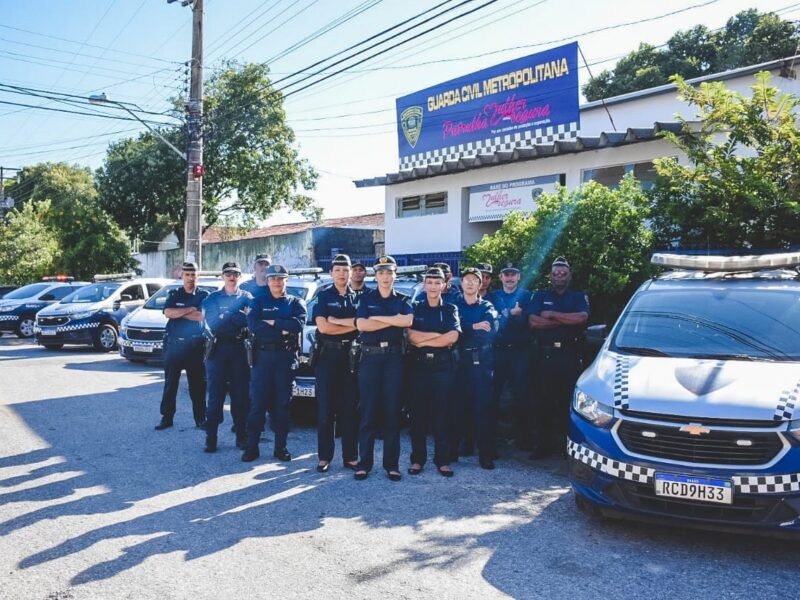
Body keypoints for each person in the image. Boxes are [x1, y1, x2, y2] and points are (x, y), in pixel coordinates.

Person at [353, 255, 413, 481]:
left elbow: (407, 321)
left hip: (394, 360)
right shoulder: (366, 298)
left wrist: (377, 318)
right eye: (381, 273)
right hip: (370, 359)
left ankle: (391, 465)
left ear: (395, 275)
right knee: (368, 412)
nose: (385, 277)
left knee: (392, 413)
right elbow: (362, 324)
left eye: (389, 272)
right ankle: (364, 464)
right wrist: (392, 318)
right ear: (376, 276)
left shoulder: (403, 299)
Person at [242, 264, 307, 462]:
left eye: (280, 278)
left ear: (286, 280)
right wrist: (282, 327)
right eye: (273, 279)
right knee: (257, 404)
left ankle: (281, 448)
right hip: (262, 358)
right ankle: (252, 447)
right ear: (268, 281)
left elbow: (298, 325)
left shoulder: (295, 302)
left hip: (285, 358)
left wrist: (272, 322)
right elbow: (254, 326)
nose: (277, 282)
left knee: (282, 405)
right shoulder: (258, 302)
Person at [528, 257, 589, 458]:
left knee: (566, 402)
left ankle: (567, 448)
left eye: (563, 273)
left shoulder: (578, 297)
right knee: (542, 401)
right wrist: (565, 320)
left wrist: (552, 314)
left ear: (569, 275)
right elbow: (534, 322)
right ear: (550, 276)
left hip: (569, 356)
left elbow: (581, 318)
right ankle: (542, 447)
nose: (559, 276)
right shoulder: (540, 296)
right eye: (555, 273)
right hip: (544, 357)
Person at [406, 267, 461, 477]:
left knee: (442, 414)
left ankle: (442, 460)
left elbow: (453, 337)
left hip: (442, 367)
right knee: (417, 415)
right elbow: (410, 337)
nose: (433, 286)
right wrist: (438, 335)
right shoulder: (415, 307)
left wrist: (424, 339)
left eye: (437, 282)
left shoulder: (450, 308)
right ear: (424, 284)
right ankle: (417, 459)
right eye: (429, 282)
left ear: (444, 285)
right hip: (418, 366)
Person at [312, 254, 360, 473]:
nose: (342, 274)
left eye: (345, 270)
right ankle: (324, 457)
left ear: (351, 273)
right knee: (325, 410)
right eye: (338, 270)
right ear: (331, 273)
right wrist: (353, 324)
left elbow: (364, 324)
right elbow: (323, 327)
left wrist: (338, 322)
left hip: (351, 357)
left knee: (350, 409)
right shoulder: (323, 296)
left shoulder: (358, 298)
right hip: (327, 357)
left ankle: (350, 457)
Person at [201, 262, 252, 452]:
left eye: (235, 274)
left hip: (239, 349)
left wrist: (226, 315)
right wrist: (236, 315)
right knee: (215, 397)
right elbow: (214, 323)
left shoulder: (247, 297)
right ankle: (211, 437)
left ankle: (241, 436)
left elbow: (250, 320)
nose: (232, 277)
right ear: (222, 276)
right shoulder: (212, 298)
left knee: (240, 397)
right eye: (228, 273)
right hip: (218, 349)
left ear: (240, 277)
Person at [454, 267, 500, 469]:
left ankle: (485, 454)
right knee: (459, 407)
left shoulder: (487, 306)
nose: (470, 283)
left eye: (475, 280)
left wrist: (464, 327)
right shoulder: (454, 305)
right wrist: (473, 326)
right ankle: (460, 447)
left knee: (483, 409)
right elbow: (451, 328)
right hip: (460, 361)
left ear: (480, 284)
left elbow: (489, 330)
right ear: (461, 283)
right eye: (467, 279)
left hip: (481, 361)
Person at [156, 262, 210, 430]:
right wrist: (189, 309)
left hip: (195, 345)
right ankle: (167, 418)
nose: (190, 278)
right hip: (175, 344)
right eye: (187, 274)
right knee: (170, 384)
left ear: (197, 276)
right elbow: (167, 312)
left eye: (193, 274)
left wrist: (179, 312)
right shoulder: (175, 294)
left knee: (197, 386)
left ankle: (200, 419)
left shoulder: (204, 295)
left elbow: (200, 316)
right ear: (181, 275)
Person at [487, 262, 533, 451]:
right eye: (506, 274)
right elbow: (492, 320)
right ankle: (490, 441)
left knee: (522, 396)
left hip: (519, 352)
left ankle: (524, 439)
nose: (510, 278)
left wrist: (504, 315)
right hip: (498, 351)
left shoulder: (526, 296)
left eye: (513, 274)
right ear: (501, 277)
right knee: (492, 396)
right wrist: (510, 314)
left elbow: (527, 321)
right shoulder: (493, 296)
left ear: (518, 277)